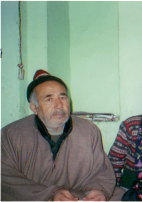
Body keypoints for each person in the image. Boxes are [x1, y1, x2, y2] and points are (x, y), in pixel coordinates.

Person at [1, 69, 120, 201]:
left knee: (121, 195)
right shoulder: (12, 134)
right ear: (34, 107)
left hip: (77, 197)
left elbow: (101, 173)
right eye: (49, 99)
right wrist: (51, 195)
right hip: (35, 198)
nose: (59, 105)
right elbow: (5, 179)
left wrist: (98, 191)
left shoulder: (89, 130)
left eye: (63, 97)